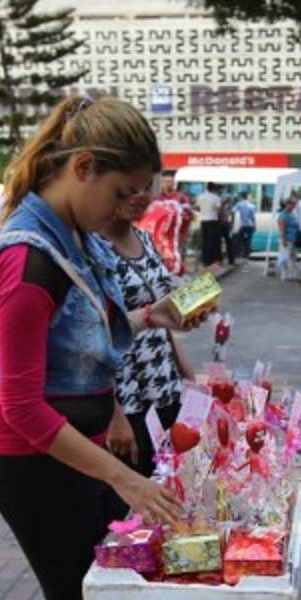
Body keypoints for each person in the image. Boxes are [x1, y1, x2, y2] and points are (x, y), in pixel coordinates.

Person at [0, 95, 210, 600]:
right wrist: (128, 481)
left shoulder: (72, 239)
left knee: (96, 594)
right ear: (82, 167)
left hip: (73, 446)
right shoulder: (28, 260)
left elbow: (83, 337)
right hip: (29, 458)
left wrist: (150, 316)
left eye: (143, 195)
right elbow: (20, 407)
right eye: (125, 192)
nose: (134, 210)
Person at [101, 177, 197, 475]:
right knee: (135, 487)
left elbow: (160, 311)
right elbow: (91, 338)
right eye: (132, 185)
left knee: (169, 476)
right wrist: (113, 414)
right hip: (125, 388)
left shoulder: (143, 238)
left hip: (164, 380)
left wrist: (186, 371)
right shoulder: (95, 249)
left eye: (146, 187)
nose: (140, 195)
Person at [196, 182, 223, 268]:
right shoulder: (216, 198)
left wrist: (204, 210)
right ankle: (210, 260)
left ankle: (205, 260)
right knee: (212, 241)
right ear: (214, 188)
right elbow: (219, 209)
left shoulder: (200, 196)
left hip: (203, 221)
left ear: (207, 188)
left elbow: (197, 207)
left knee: (205, 240)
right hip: (213, 221)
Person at [274, 195, 300, 281]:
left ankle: (291, 275)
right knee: (285, 257)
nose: (294, 206)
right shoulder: (284, 215)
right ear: (288, 204)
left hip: (292, 239)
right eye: (293, 204)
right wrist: (283, 240)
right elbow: (282, 228)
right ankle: (285, 275)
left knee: (292, 257)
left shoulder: (291, 213)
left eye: (295, 204)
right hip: (287, 239)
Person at [233, 190, 256, 260]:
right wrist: (255, 225)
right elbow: (253, 217)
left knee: (241, 239)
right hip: (250, 225)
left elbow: (233, 210)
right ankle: (247, 254)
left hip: (243, 225)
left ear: (242, 197)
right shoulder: (251, 205)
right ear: (247, 197)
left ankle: (243, 253)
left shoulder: (239, 204)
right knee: (249, 240)